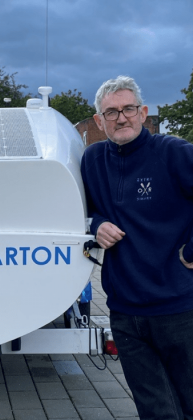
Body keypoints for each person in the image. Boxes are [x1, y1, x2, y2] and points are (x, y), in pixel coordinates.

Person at [81, 76, 193, 419]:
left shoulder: (173, 153)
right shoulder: (93, 161)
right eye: (111, 112)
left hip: (179, 309)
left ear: (143, 113)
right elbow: (82, 211)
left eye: (128, 109)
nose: (121, 118)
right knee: (154, 410)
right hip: (126, 313)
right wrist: (96, 224)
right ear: (100, 121)